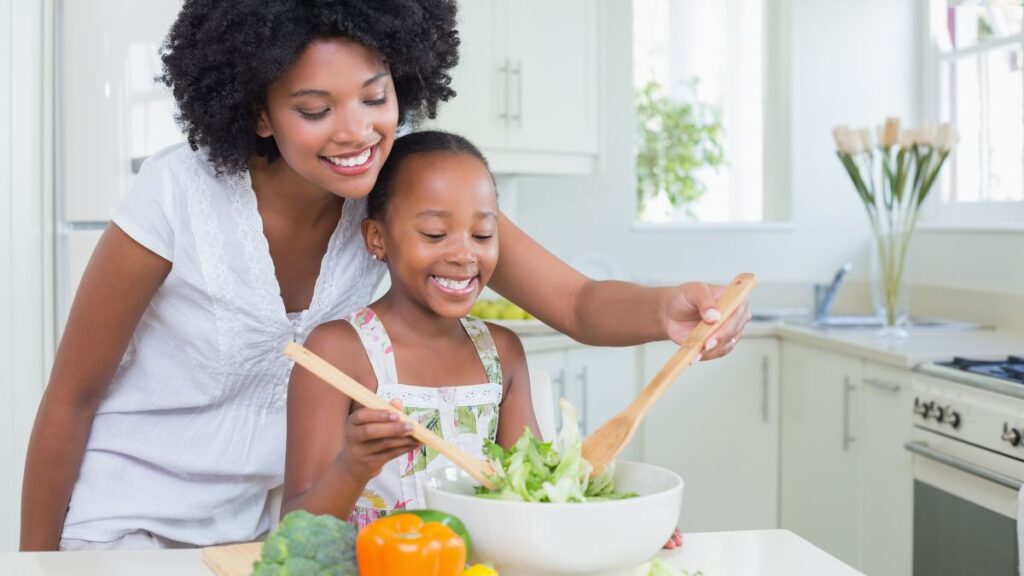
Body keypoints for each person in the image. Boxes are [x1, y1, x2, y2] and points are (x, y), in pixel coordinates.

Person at [21, 0, 746, 552]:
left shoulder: (395, 195)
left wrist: (670, 309)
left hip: (274, 533)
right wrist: (33, 565)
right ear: (260, 112)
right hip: (127, 521)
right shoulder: (178, 195)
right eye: (315, 108)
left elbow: (579, 303)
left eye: (376, 96)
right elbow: (70, 399)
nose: (356, 130)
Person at [282, 130, 684, 549]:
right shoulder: (336, 353)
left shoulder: (501, 354)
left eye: (482, 235)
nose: (463, 254)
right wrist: (353, 466)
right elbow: (293, 535)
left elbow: (536, 496)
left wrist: (621, 526)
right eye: (435, 234)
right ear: (377, 238)